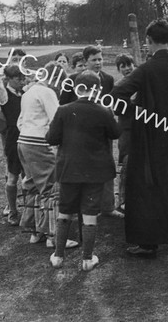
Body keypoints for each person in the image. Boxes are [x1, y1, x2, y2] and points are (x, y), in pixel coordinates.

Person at [110, 19, 168, 258]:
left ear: (149, 41)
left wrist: (135, 111)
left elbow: (117, 94)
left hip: (151, 141)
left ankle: (149, 243)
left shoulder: (147, 69)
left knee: (148, 189)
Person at [46, 71, 121, 271]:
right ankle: (87, 259)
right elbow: (115, 133)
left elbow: (51, 138)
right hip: (95, 171)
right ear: (97, 89)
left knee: (65, 211)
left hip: (69, 168)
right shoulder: (104, 111)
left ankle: (58, 256)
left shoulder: (63, 109)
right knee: (89, 214)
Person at [17, 61, 78, 249]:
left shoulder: (29, 92)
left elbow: (20, 121)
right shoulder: (47, 92)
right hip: (39, 143)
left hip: (23, 142)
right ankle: (54, 236)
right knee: (52, 188)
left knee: (33, 186)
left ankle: (36, 232)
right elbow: (56, 120)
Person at [60, 46, 123, 219]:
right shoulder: (72, 80)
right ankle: (82, 209)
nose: (98, 63)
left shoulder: (108, 79)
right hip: (79, 136)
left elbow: (111, 105)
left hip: (102, 135)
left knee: (107, 167)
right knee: (80, 170)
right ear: (85, 61)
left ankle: (108, 206)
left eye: (100, 59)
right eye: (94, 60)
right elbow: (62, 105)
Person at [0, 63, 28, 226]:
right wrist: (8, 67)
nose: (23, 82)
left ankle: (28, 210)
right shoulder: (4, 96)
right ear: (8, 79)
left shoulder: (25, 92)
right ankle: (13, 211)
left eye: (24, 78)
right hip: (12, 139)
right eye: (19, 78)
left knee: (27, 178)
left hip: (26, 137)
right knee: (12, 177)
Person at [114, 53, 136, 212]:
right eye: (123, 66)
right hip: (127, 128)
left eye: (130, 64)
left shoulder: (140, 83)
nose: (128, 68)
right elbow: (118, 109)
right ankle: (123, 199)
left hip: (140, 127)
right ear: (119, 69)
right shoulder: (120, 86)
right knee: (127, 163)